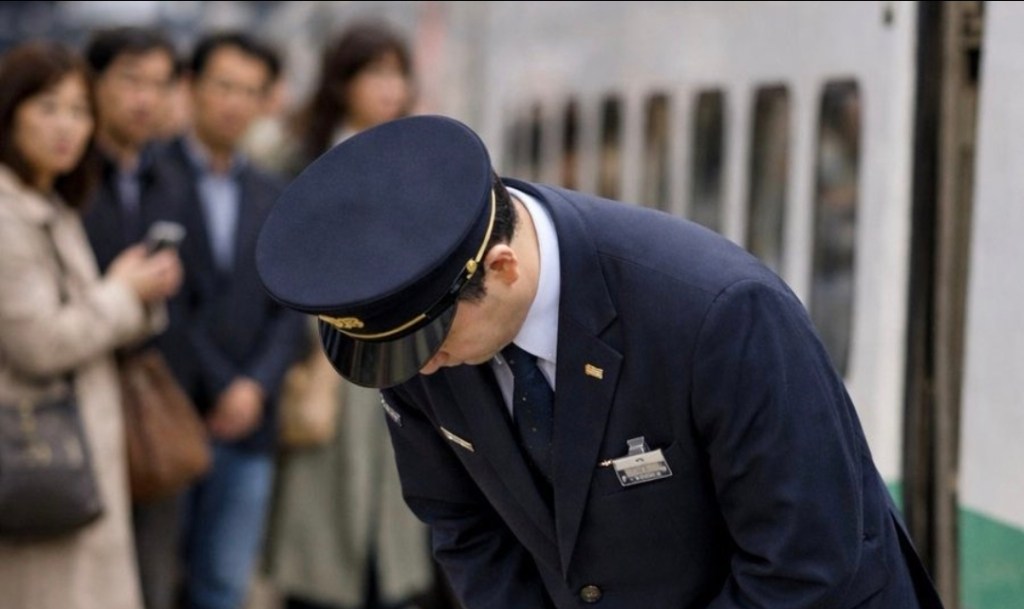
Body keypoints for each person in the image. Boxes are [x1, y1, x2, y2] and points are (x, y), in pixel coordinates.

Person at [254, 114, 947, 609]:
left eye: (431, 347)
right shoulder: (423, 339)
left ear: (500, 267)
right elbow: (464, 527)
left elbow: (807, 561)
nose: (425, 372)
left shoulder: (718, 312)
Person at [0, 41, 182, 609]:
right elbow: (40, 342)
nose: (67, 127)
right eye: (48, 107)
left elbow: (81, 319)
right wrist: (124, 292)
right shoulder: (8, 214)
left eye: (79, 111)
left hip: (75, 460)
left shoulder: (50, 204)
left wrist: (134, 289)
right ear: (10, 113)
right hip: (37, 458)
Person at [262, 21, 436, 609]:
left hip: (407, 357)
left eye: (397, 73)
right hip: (327, 360)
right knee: (324, 505)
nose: (390, 88)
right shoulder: (306, 161)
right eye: (374, 73)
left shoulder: (419, 159)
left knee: (394, 501)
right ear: (342, 83)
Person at [159, 31, 307, 609]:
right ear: (191, 87)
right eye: (223, 86)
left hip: (251, 423)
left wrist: (254, 386)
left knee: (224, 582)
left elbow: (290, 308)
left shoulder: (274, 193)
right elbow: (170, 305)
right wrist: (225, 383)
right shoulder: (150, 179)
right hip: (168, 412)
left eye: (250, 91)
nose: (234, 103)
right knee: (155, 579)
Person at [79, 25, 187, 609]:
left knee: (153, 577)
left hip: (153, 405)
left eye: (159, 84)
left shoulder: (167, 180)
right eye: (130, 80)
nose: (145, 98)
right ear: (93, 83)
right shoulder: (65, 177)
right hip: (72, 404)